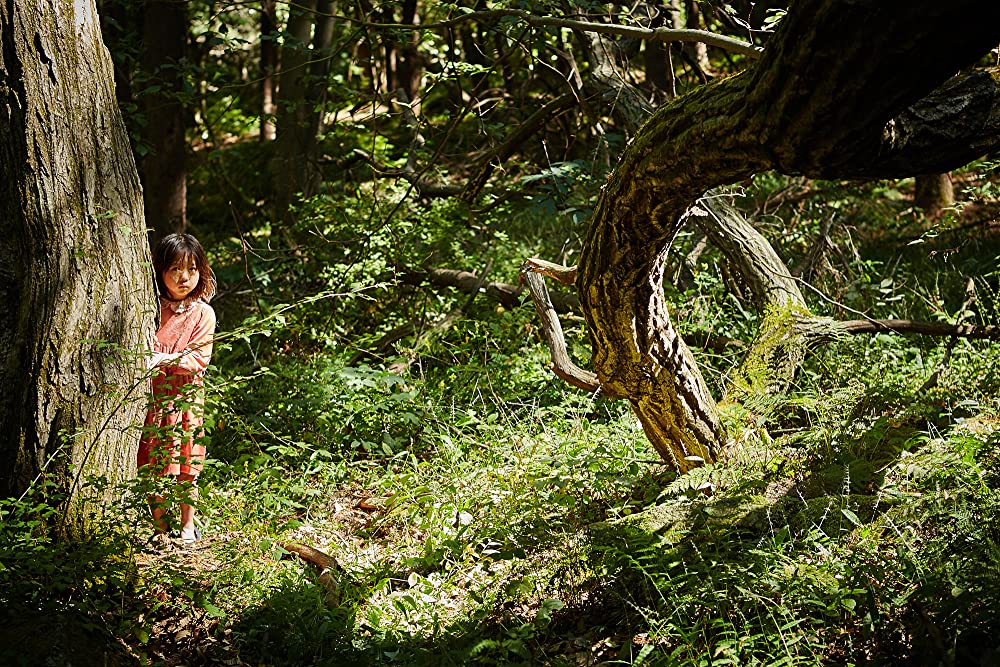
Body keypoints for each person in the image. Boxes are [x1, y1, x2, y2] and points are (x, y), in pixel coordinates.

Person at [139, 233, 217, 546]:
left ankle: (187, 526)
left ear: (201, 272)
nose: (183, 277)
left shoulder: (203, 313)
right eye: (174, 269)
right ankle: (160, 529)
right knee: (154, 462)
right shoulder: (151, 307)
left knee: (188, 461)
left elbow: (199, 358)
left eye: (191, 269)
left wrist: (164, 358)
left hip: (187, 396)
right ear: (160, 271)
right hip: (154, 398)